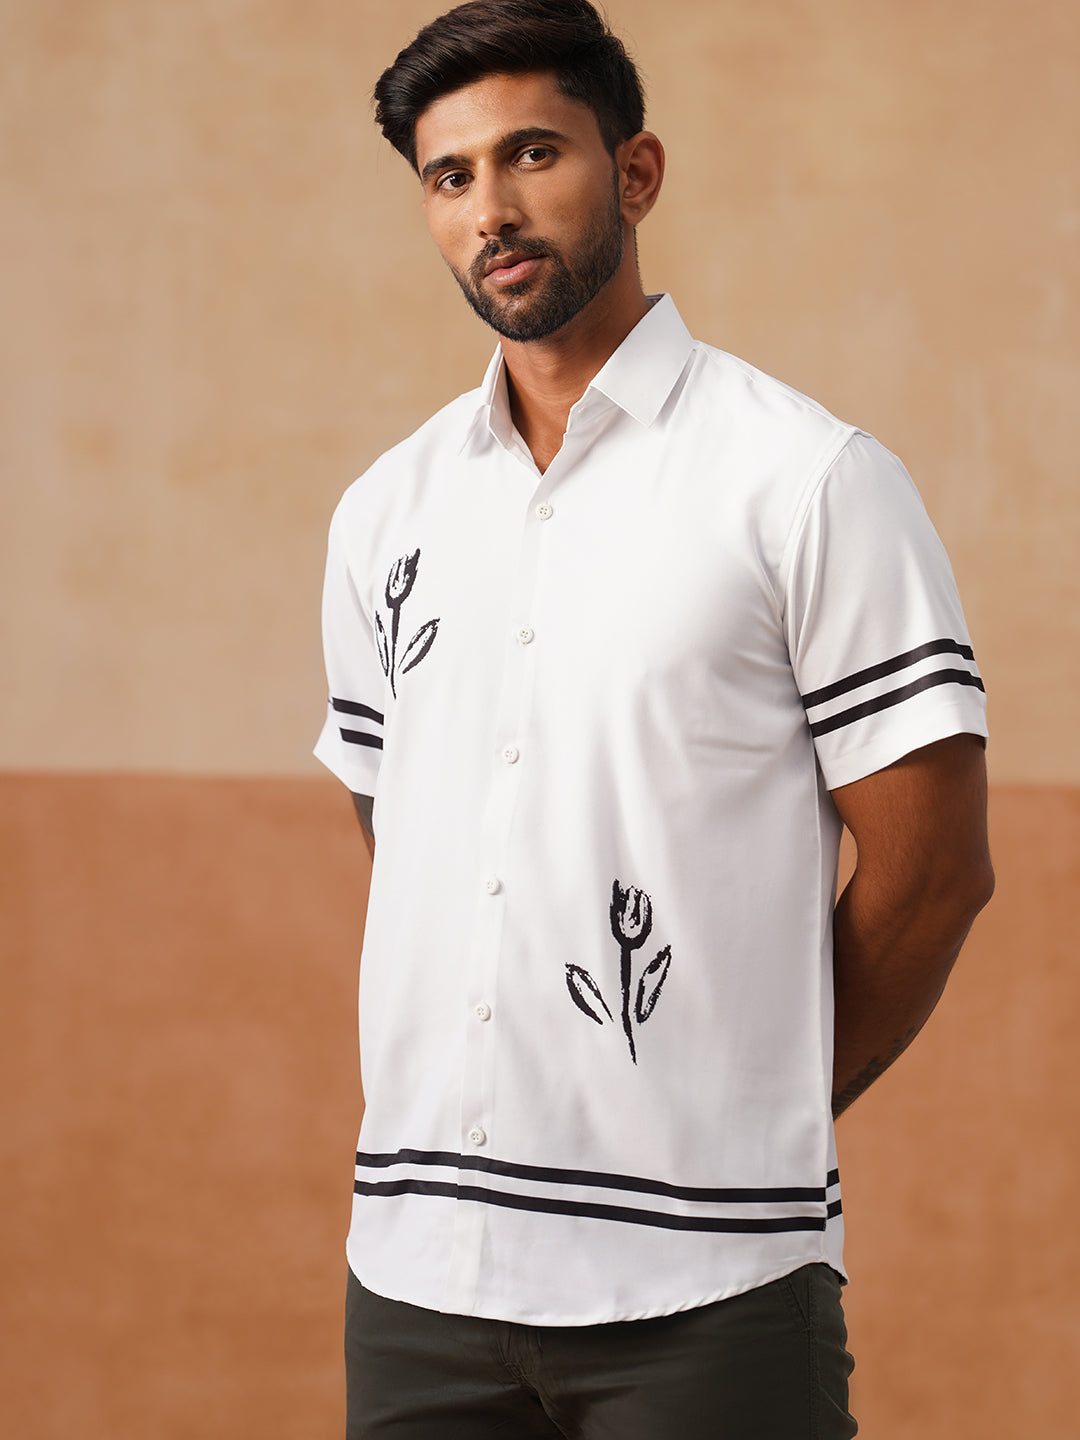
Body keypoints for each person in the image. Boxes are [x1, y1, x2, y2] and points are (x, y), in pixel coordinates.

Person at [314, 2, 994, 1435]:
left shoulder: (806, 483)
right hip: (416, 1280)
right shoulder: (386, 515)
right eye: (449, 177)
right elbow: (411, 827)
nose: (491, 211)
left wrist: (747, 1117)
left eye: (533, 154)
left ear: (635, 172)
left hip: (705, 1291)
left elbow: (935, 871)